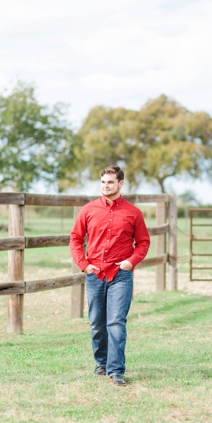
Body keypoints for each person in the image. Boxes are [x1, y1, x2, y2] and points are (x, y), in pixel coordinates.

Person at [69, 165, 150, 386]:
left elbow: (143, 243)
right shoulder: (88, 210)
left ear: (121, 184)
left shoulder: (134, 213)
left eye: (110, 182)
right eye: (103, 182)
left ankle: (116, 371)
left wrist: (130, 262)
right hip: (95, 274)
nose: (106, 186)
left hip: (121, 275)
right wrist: (84, 265)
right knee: (96, 322)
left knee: (116, 322)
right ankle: (102, 363)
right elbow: (76, 239)